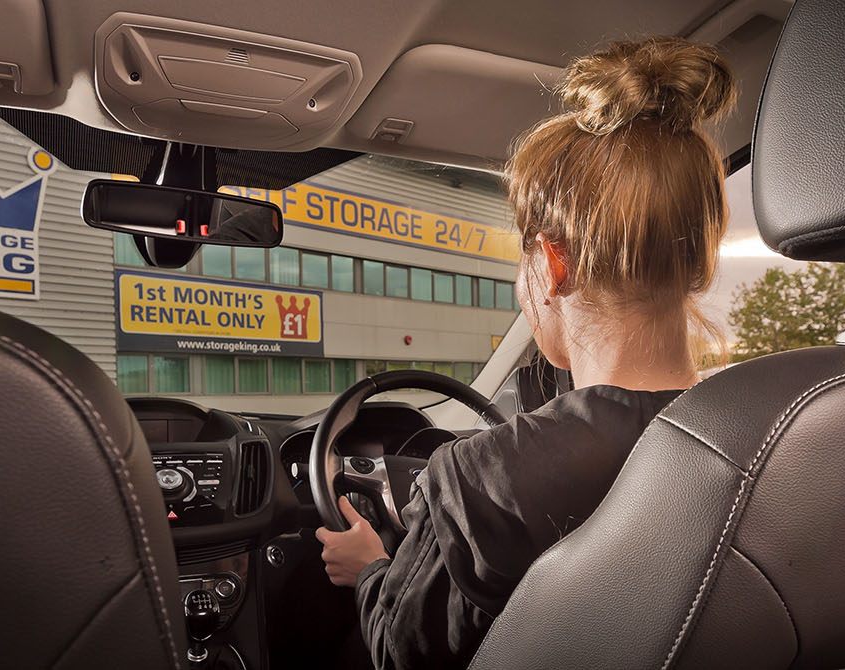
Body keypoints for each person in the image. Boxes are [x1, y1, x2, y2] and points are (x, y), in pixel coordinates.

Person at [315, 36, 735, 669]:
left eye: (523, 258)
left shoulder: (482, 485)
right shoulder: (775, 437)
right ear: (698, 262)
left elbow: (403, 654)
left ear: (551, 264)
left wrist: (371, 569)